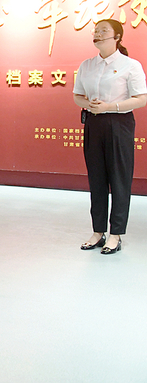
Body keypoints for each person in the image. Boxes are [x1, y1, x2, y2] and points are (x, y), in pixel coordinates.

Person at [74, 19, 147, 255]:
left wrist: (110, 107)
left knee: (119, 179)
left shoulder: (130, 65)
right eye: (96, 30)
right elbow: (77, 96)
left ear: (117, 37)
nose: (98, 33)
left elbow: (141, 98)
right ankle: (98, 232)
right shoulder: (87, 65)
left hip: (119, 123)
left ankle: (116, 234)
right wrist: (90, 105)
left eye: (104, 30)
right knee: (96, 178)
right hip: (93, 122)